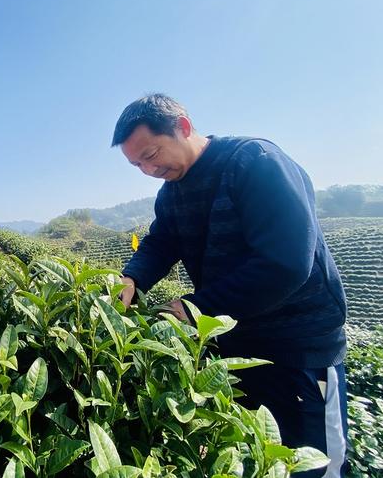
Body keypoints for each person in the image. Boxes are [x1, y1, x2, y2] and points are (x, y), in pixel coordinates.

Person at [113, 93, 347, 477]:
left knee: (313, 466)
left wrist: (193, 307)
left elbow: (285, 264)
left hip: (298, 351)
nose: (147, 169)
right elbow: (161, 241)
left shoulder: (255, 162)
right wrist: (131, 278)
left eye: (151, 154)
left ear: (183, 127)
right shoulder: (172, 192)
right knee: (255, 459)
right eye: (136, 164)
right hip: (238, 348)